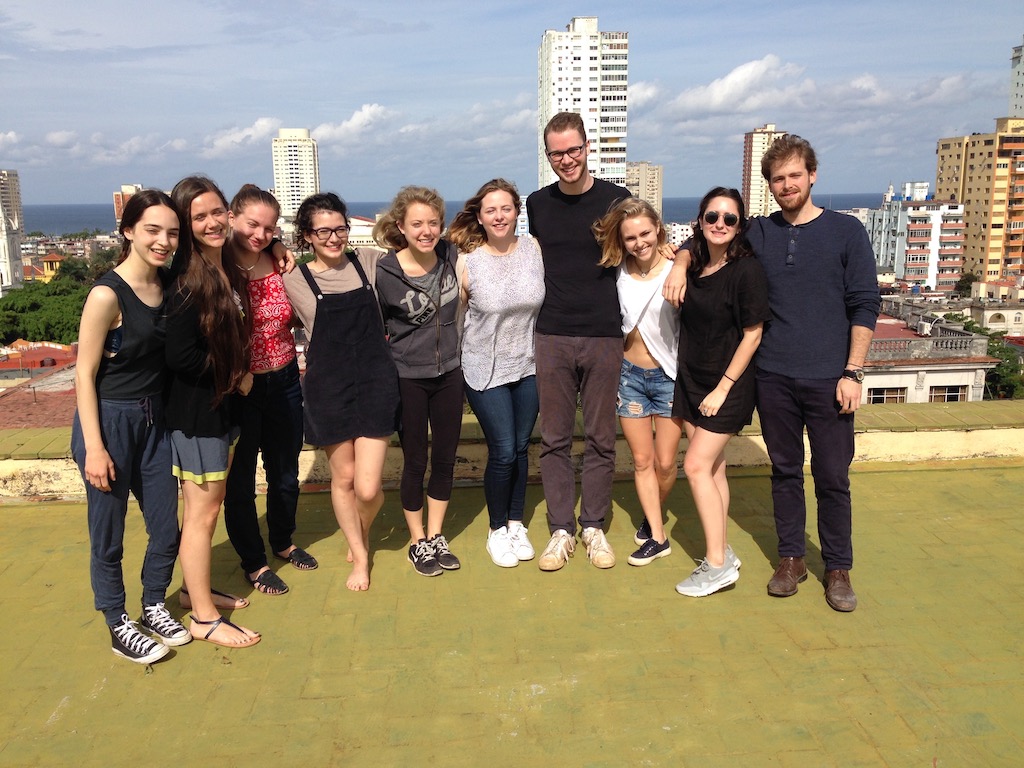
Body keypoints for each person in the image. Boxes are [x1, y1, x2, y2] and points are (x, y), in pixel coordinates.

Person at [664, 136, 880, 611]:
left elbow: (865, 304)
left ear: (812, 175)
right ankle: (791, 559)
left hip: (829, 377)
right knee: (783, 473)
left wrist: (853, 372)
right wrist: (680, 262)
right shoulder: (759, 232)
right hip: (773, 376)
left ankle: (838, 569)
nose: (786, 185)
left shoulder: (846, 232)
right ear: (769, 185)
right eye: (778, 179)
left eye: (794, 176)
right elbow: (705, 236)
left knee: (831, 476)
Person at [72, 190, 190, 664]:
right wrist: (96, 448)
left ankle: (154, 602)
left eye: (172, 232)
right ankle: (117, 619)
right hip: (109, 420)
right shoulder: (107, 294)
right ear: (127, 231)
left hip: (154, 418)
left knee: (166, 527)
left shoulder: (169, 284)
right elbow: (83, 373)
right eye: (152, 230)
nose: (164, 241)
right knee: (109, 531)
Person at [526, 111, 630, 571]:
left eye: (573, 149)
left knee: (603, 438)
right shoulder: (537, 203)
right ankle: (561, 530)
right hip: (551, 333)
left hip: (605, 333)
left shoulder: (617, 199)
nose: (566, 159)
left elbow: (649, 242)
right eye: (556, 152)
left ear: (588, 147)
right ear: (548, 155)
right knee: (553, 439)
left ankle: (593, 526)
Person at [283, 192, 400, 591]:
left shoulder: (369, 262)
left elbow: (413, 249)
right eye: (323, 231)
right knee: (344, 477)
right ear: (307, 236)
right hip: (328, 388)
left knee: (368, 488)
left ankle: (360, 531)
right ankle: (360, 555)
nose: (334, 237)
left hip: (375, 382)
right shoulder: (293, 280)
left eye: (340, 228)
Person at [166, 175, 260, 647]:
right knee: (202, 512)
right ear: (184, 224)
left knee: (208, 506)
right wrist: (234, 375)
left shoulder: (225, 269)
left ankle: (192, 592)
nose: (211, 222)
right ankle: (202, 618)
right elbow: (180, 356)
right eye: (198, 216)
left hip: (222, 409)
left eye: (216, 212)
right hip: (198, 412)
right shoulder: (186, 280)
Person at [668, 188, 770, 597]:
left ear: (740, 226)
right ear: (700, 220)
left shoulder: (747, 271)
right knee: (713, 469)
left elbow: (753, 333)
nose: (720, 225)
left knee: (694, 467)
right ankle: (721, 550)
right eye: (713, 217)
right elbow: (688, 249)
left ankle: (715, 565)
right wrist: (679, 261)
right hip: (692, 377)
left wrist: (723, 389)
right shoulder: (694, 264)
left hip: (726, 386)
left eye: (729, 219)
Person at [223, 185, 313, 598]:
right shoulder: (218, 266)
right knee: (240, 482)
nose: (259, 234)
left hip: (285, 378)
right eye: (252, 224)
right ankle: (254, 562)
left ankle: (282, 540)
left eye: (269, 228)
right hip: (240, 389)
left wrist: (276, 245)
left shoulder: (277, 263)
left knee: (285, 470)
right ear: (230, 218)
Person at [449, 179, 544, 568]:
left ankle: (517, 522)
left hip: (529, 364)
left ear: (516, 212)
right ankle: (496, 528)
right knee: (503, 450)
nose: (499, 216)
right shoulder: (468, 259)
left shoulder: (534, 249)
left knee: (522, 447)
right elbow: (457, 318)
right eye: (491, 210)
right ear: (480, 216)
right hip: (484, 369)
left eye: (506, 208)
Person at [373, 186, 464, 577]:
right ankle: (416, 541)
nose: (426, 231)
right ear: (401, 227)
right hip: (408, 377)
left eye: (432, 223)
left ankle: (436, 534)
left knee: (444, 458)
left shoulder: (453, 255)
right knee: (415, 460)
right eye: (417, 224)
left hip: (450, 374)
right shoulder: (384, 272)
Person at [592, 198, 682, 567]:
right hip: (629, 376)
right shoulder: (617, 271)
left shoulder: (677, 268)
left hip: (669, 378)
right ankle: (657, 537)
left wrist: (685, 257)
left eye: (645, 233)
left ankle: (653, 514)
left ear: (659, 230)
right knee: (642, 461)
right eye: (630, 237)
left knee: (664, 463)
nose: (639, 242)